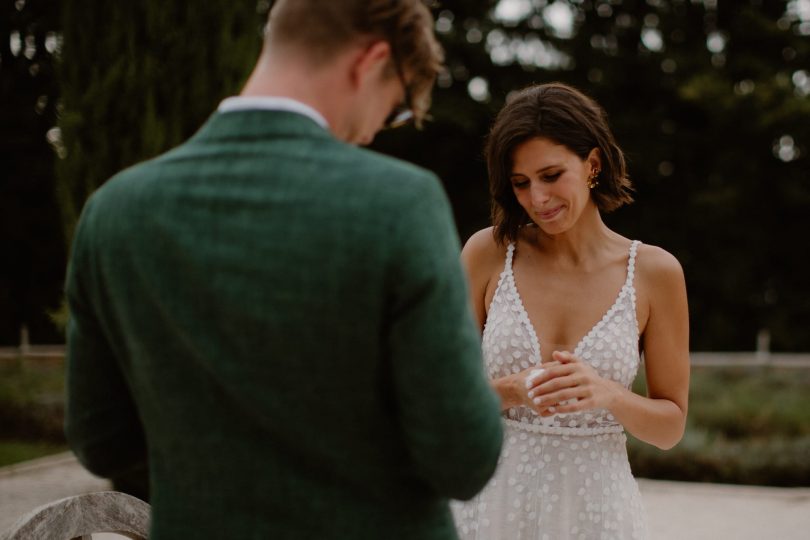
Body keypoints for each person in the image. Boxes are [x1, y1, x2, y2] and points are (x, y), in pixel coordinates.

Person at [64, 1, 504, 538]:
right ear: (370, 61)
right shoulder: (397, 204)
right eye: (393, 110)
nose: (372, 134)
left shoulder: (114, 212)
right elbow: (463, 456)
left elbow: (101, 439)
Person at [451, 82, 690, 539]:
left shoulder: (655, 273)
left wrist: (610, 395)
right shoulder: (488, 252)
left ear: (593, 164)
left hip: (597, 511)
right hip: (489, 505)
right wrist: (514, 390)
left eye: (551, 175)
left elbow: (670, 428)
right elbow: (444, 393)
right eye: (521, 183)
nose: (537, 198)